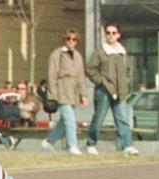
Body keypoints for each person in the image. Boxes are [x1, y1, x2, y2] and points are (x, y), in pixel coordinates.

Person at [85, 23, 139, 156]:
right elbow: (90, 69)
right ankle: (91, 144)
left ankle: (127, 145)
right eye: (108, 32)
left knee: (122, 119)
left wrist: (126, 85)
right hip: (104, 91)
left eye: (113, 33)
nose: (110, 35)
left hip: (120, 91)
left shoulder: (122, 51)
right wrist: (101, 82)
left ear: (118, 35)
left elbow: (126, 71)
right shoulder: (100, 50)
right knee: (99, 119)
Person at [41, 30, 87, 155]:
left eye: (74, 39)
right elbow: (51, 75)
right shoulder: (56, 54)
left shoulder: (77, 56)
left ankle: (49, 142)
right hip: (61, 89)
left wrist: (83, 94)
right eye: (68, 39)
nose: (71, 41)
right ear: (64, 39)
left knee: (64, 121)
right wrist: (53, 94)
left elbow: (81, 76)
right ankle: (72, 145)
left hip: (73, 91)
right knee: (70, 120)